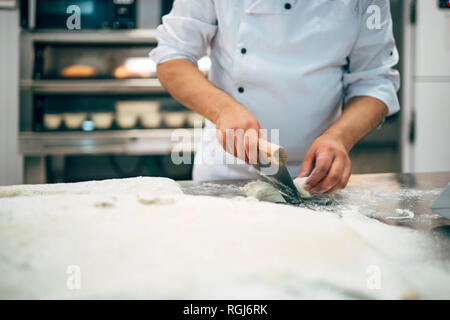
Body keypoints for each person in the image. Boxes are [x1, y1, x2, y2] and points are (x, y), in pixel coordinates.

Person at [150, 0, 400, 195]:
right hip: (226, 171)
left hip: (315, 178)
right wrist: (223, 110)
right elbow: (172, 57)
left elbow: (376, 81)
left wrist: (340, 138)